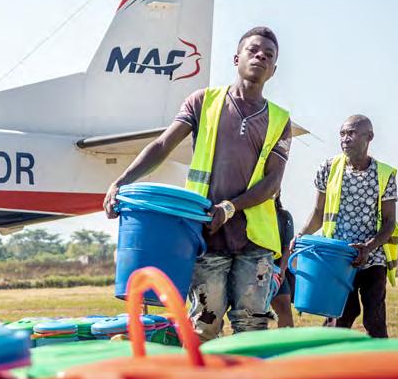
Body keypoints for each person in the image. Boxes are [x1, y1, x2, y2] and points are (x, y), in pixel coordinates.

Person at [104, 27, 292, 341]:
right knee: (205, 324)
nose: (260, 56)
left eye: (268, 55)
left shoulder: (279, 119)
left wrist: (230, 207)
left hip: (255, 240)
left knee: (252, 326)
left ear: (273, 70)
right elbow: (162, 145)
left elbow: (273, 181)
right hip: (206, 233)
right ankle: (204, 373)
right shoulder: (203, 102)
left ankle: (248, 374)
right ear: (236, 58)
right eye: (253, 50)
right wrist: (121, 182)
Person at [294, 115, 398, 338]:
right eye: (342, 133)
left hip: (372, 258)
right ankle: (328, 357)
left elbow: (389, 222)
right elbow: (318, 213)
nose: (345, 138)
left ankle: (381, 358)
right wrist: (301, 235)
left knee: (375, 319)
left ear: (369, 137)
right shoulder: (328, 168)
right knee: (339, 318)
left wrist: (367, 248)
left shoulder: (384, 174)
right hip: (337, 258)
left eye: (351, 133)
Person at [271, 193, 295, 328]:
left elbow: (287, 247)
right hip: (250, 267)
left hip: (277, 269)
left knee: (284, 309)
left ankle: (288, 341)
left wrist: (282, 269)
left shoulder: (284, 216)